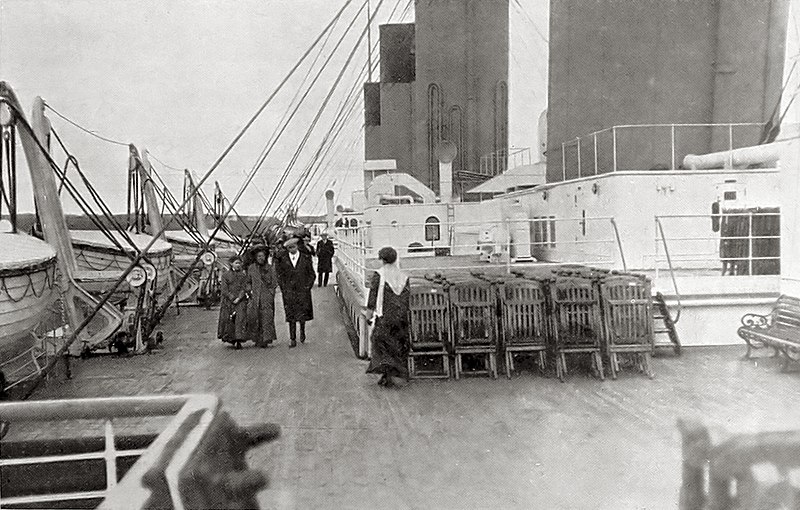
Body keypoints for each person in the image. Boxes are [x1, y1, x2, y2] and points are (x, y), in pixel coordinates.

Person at [363, 246, 410, 388]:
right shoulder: (404, 276)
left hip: (385, 317)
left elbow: (373, 297)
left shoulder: (379, 274)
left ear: (382, 259)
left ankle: (386, 374)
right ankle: (394, 373)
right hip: (400, 318)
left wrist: (369, 315)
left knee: (379, 343)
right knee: (396, 344)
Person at [275, 237, 315, 348]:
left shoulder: (305, 258)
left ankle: (302, 332)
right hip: (289, 292)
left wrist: (307, 286)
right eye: (289, 248)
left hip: (303, 291)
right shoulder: (283, 260)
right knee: (291, 315)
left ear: (297, 246)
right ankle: (292, 338)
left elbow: (311, 274)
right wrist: (283, 288)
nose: (292, 249)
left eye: (293, 247)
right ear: (287, 249)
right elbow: (279, 275)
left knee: (302, 314)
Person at [247, 245, 278, 348]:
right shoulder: (251, 268)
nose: (261, 258)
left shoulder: (269, 268)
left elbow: (274, 282)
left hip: (266, 297)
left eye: (262, 256)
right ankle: (257, 339)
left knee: (266, 318)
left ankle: (266, 339)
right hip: (255, 296)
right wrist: (249, 290)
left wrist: (271, 293)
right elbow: (248, 281)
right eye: (259, 256)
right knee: (255, 318)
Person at [218, 256, 250, 349]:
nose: (238, 265)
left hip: (240, 300)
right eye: (236, 263)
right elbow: (224, 289)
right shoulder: (226, 275)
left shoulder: (243, 275)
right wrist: (232, 298)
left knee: (240, 320)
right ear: (231, 264)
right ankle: (232, 339)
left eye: (239, 263)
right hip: (228, 301)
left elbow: (245, 287)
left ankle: (239, 340)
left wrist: (239, 298)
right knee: (230, 321)